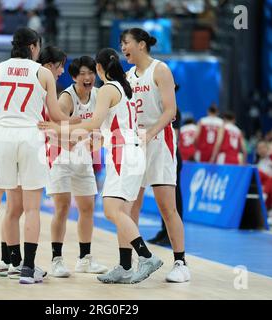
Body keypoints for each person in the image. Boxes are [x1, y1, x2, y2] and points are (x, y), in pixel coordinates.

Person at [38, 48, 163, 284]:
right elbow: (103, 130)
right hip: (133, 152)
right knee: (122, 212)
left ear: (98, 69)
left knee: (111, 211)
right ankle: (125, 266)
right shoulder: (124, 87)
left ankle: (145, 256)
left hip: (122, 153)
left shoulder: (106, 89)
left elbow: (94, 123)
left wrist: (57, 129)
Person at [0, 27, 71, 285]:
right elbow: (55, 115)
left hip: (3, 135)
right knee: (32, 208)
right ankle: (28, 269)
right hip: (31, 136)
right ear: (34, 46)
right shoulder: (43, 73)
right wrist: (80, 122)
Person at [121, 28, 190, 283]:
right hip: (137, 144)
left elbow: (171, 110)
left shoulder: (160, 69)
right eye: (121, 44)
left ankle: (181, 263)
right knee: (130, 206)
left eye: (126, 43)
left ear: (141, 45)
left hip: (159, 141)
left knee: (166, 207)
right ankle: (131, 262)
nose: (123, 48)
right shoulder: (128, 75)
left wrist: (149, 134)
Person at [0, 46, 68, 280]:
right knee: (23, 209)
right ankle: (15, 261)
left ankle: (9, 260)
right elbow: (56, 119)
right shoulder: (42, 84)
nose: (62, 72)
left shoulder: (20, 78)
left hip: (11, 142)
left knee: (13, 209)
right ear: (49, 66)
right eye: (60, 66)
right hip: (28, 147)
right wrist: (85, 122)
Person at [45, 55, 107, 277]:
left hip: (84, 157)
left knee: (87, 208)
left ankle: (84, 259)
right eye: (83, 74)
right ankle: (56, 259)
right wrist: (77, 141)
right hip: (60, 156)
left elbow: (101, 131)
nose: (88, 77)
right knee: (62, 208)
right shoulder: (66, 99)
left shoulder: (99, 95)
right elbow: (52, 133)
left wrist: (94, 143)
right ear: (74, 77)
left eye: (91, 73)